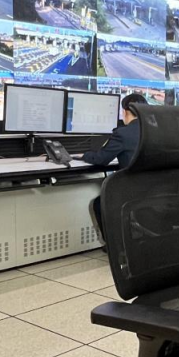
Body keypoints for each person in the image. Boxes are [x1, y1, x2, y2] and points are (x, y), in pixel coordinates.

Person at [77, 92, 148, 244]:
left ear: (125, 112)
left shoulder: (123, 134)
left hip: (133, 191)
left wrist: (84, 155)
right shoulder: (156, 130)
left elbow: (101, 159)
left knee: (99, 203)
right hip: (157, 189)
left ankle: (114, 246)